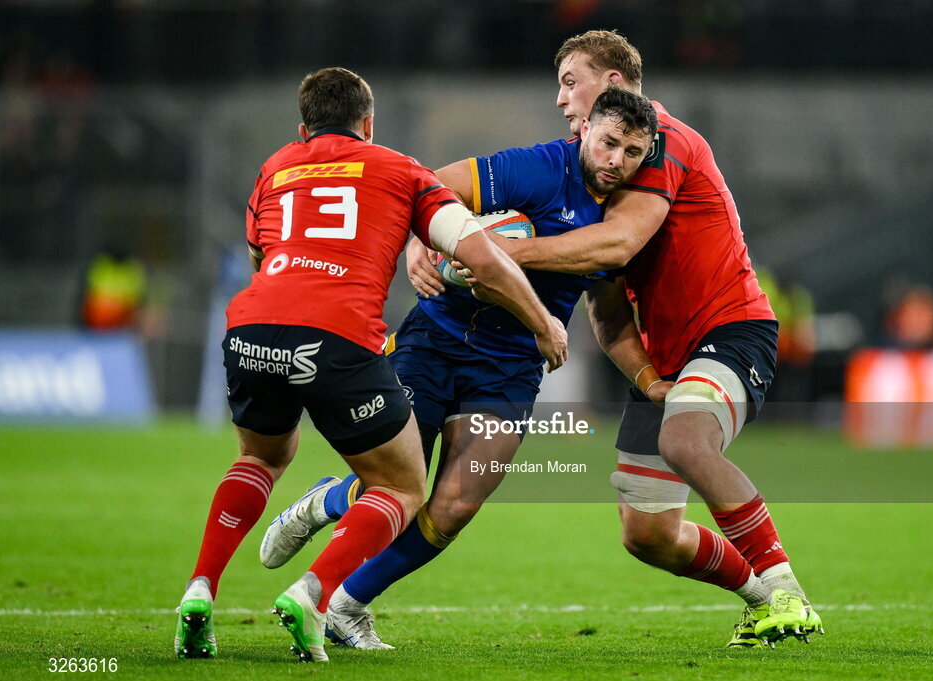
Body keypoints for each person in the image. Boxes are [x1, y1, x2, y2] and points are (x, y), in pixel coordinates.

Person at [413, 30, 821, 647]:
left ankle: (787, 590)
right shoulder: (582, 173)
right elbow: (606, 312)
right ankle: (763, 600)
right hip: (664, 354)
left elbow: (617, 244)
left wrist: (497, 250)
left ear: (612, 83)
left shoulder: (665, 141)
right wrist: (426, 238)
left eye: (570, 80)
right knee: (648, 533)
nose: (560, 98)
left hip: (731, 329)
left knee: (685, 441)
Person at [174, 67, 567, 663]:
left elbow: (260, 249)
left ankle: (199, 589)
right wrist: (543, 323)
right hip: (338, 335)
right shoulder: (401, 171)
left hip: (253, 326)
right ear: (369, 122)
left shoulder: (278, 166)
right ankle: (314, 594)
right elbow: (482, 259)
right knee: (401, 484)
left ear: (304, 127)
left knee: (259, 456)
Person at [258, 87, 658, 648]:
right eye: (609, 142)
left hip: (512, 366)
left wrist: (648, 378)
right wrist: (420, 244)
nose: (616, 160)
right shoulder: (537, 167)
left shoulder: (626, 221)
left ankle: (349, 604)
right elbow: (432, 185)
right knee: (403, 483)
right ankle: (323, 512)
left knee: (456, 503)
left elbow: (611, 312)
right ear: (585, 129)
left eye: (633, 151)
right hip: (436, 339)